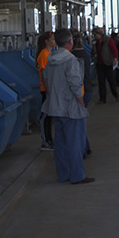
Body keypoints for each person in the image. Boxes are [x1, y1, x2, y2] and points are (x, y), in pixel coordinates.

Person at [41, 28, 94, 185]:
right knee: (75, 142)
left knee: (61, 143)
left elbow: (46, 82)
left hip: (55, 107)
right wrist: (81, 101)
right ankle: (77, 175)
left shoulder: (50, 60)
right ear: (70, 42)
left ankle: (63, 174)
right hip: (71, 108)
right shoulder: (70, 60)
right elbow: (75, 84)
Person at [35, 31, 55, 150]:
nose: (54, 41)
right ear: (47, 42)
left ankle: (49, 139)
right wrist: (48, 90)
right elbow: (44, 75)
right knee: (45, 116)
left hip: (51, 89)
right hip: (46, 90)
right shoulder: (44, 55)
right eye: (52, 39)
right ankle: (45, 141)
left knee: (49, 116)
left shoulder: (50, 53)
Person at [92, 27, 119, 103]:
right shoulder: (95, 42)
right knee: (101, 82)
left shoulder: (108, 40)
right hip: (99, 64)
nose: (95, 36)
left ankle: (115, 95)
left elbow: (114, 50)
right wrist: (94, 54)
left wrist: (115, 59)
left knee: (111, 81)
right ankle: (102, 98)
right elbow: (93, 51)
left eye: (95, 34)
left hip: (107, 63)